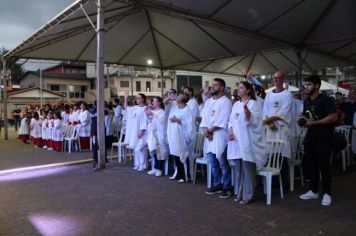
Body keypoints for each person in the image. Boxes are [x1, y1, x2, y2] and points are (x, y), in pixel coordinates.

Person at [298, 75, 337, 206]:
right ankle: (313, 191)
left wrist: (316, 122)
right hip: (311, 137)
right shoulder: (307, 101)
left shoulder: (325, 100)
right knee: (311, 165)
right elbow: (307, 117)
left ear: (317, 86)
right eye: (305, 84)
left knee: (324, 166)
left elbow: (333, 117)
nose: (306, 87)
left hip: (324, 137)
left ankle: (327, 193)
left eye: (309, 84)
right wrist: (303, 121)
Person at [228, 81, 266, 204]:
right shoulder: (235, 104)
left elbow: (252, 120)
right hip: (236, 142)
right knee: (239, 170)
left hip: (247, 142)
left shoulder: (254, 104)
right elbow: (231, 121)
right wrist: (230, 131)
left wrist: (245, 108)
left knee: (248, 170)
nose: (238, 90)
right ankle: (239, 193)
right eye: (238, 88)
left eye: (241, 88)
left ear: (248, 90)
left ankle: (248, 195)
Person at [200, 78, 233, 198]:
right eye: (212, 85)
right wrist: (205, 131)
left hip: (220, 136)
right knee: (213, 163)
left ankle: (227, 186)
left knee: (223, 163)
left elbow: (222, 121)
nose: (212, 87)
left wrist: (209, 131)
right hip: (209, 137)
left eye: (215, 85)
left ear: (222, 88)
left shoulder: (226, 102)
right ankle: (217, 184)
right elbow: (203, 118)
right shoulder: (208, 102)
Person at [262, 70, 293, 191]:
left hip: (281, 129)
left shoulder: (287, 95)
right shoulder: (269, 94)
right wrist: (269, 123)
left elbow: (284, 112)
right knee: (271, 155)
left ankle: (284, 183)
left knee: (282, 156)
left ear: (283, 79)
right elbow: (265, 110)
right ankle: (274, 181)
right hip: (270, 129)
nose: (276, 80)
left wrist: (270, 120)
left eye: (278, 78)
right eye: (274, 78)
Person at [167, 94, 194, 182]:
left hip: (182, 136)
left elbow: (190, 124)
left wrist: (178, 120)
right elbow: (165, 102)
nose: (177, 97)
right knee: (175, 154)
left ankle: (185, 176)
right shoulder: (175, 106)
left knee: (182, 156)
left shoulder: (187, 110)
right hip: (174, 135)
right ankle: (178, 173)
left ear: (182, 100)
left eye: (179, 96)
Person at [124, 91, 148, 171]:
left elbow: (145, 120)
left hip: (142, 131)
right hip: (135, 131)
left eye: (138, 98)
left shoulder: (146, 108)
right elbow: (126, 108)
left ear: (143, 99)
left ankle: (143, 165)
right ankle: (137, 164)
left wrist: (142, 130)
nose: (136, 99)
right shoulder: (135, 108)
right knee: (135, 148)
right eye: (136, 98)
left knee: (141, 149)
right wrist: (126, 98)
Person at [145, 96, 169, 177]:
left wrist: (153, 114)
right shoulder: (152, 111)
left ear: (159, 102)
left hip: (159, 134)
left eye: (155, 101)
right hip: (152, 134)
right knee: (153, 152)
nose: (153, 103)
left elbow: (162, 122)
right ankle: (155, 168)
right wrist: (148, 115)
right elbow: (150, 121)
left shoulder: (162, 112)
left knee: (160, 152)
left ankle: (160, 169)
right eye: (153, 101)